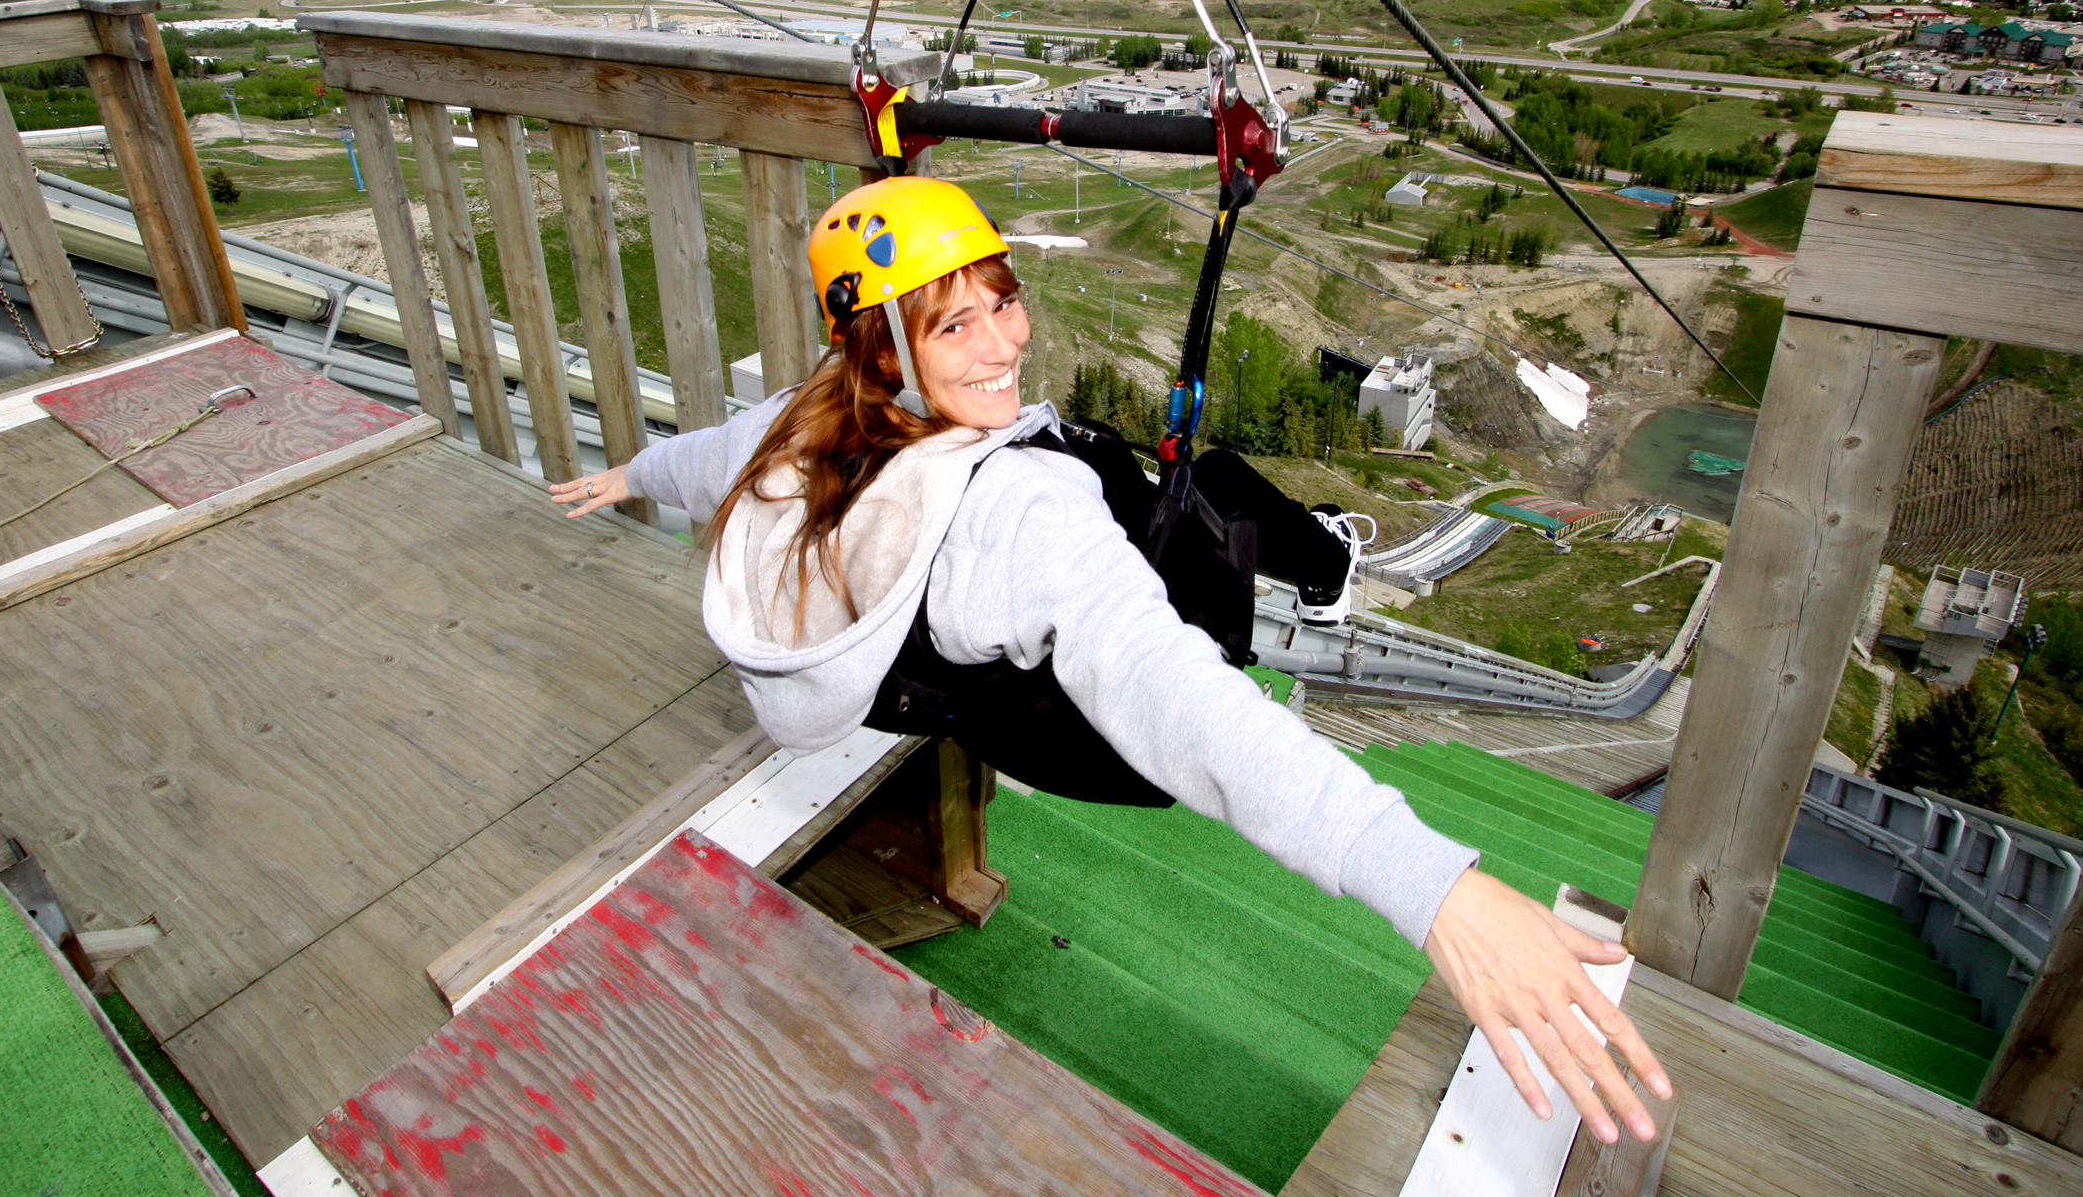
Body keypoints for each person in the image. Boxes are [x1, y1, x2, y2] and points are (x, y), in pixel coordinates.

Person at [552, 176, 1671, 1145]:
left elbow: (710, 458)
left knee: (1119, 463)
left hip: (982, 705)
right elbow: (1169, 686)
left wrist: (630, 473)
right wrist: (1437, 891)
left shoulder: (799, 435)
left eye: (1002, 301)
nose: (1003, 341)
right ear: (886, 350)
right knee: (1214, 485)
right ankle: (1327, 566)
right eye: (954, 327)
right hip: (1107, 736)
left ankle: (1315, 557)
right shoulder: (1017, 512)